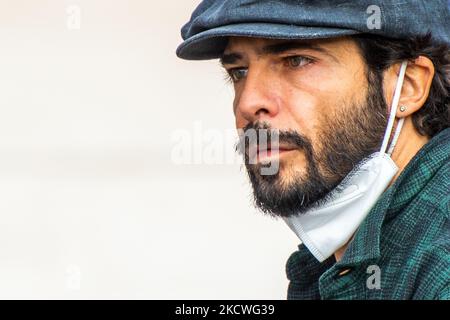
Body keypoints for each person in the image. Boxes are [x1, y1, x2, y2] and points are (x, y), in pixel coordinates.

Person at [176, 0, 450, 299]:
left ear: (408, 85)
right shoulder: (342, 256)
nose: (247, 103)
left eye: (296, 61)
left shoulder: (440, 259)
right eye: (239, 72)